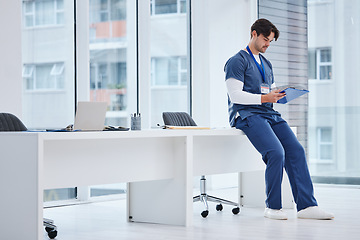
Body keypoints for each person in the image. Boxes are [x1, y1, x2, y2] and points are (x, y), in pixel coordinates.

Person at [224, 18, 334, 220]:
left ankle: (307, 206)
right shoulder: (236, 61)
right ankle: (272, 207)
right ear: (254, 33)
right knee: (276, 152)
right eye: (265, 39)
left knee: (296, 150)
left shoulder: (266, 63)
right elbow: (235, 95)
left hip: (268, 113)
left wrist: (279, 95)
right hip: (246, 114)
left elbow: (268, 90)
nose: (267, 44)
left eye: (270, 41)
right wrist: (265, 97)